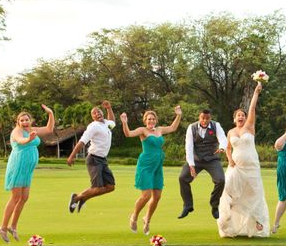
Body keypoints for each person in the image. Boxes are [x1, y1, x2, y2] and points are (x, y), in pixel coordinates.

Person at [217, 82, 270, 238]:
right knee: (229, 191)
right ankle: (227, 220)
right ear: (234, 119)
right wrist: (230, 160)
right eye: (238, 115)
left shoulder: (249, 128)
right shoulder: (231, 132)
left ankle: (258, 222)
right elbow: (227, 148)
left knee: (254, 194)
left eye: (243, 115)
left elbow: (252, 108)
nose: (241, 117)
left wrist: (256, 93)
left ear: (246, 118)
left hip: (252, 167)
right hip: (236, 168)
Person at [121, 106, 182, 235]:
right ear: (145, 120)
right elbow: (128, 134)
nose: (151, 121)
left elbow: (172, 128)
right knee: (146, 195)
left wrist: (178, 115)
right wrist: (125, 123)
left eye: (153, 119)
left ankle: (147, 219)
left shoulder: (159, 130)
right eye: (149, 119)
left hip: (157, 166)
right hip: (145, 166)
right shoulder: (142, 130)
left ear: (156, 120)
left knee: (157, 196)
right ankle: (134, 216)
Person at [0, 105, 55, 242]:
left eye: (26, 120)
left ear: (30, 120)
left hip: (27, 169)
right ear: (18, 122)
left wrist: (51, 114)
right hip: (17, 166)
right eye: (22, 120)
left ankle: (13, 226)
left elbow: (49, 129)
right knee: (15, 197)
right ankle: (3, 227)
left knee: (24, 197)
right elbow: (21, 140)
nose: (24, 122)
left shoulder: (32, 130)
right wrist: (29, 139)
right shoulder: (17, 131)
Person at [67, 101, 116, 212]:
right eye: (94, 113)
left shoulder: (107, 124)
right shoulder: (93, 126)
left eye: (98, 111)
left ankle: (83, 197)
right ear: (92, 117)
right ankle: (76, 198)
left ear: (102, 113)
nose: (97, 113)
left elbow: (113, 121)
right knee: (97, 187)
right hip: (94, 159)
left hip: (103, 160)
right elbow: (82, 142)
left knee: (110, 186)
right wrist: (72, 156)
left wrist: (109, 108)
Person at [177, 109, 227, 219]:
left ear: (210, 118)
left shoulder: (216, 125)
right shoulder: (192, 127)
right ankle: (187, 205)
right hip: (196, 159)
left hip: (212, 159)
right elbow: (188, 147)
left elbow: (223, 138)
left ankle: (214, 206)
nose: (205, 121)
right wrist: (191, 165)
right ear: (199, 118)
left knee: (221, 180)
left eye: (207, 118)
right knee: (182, 178)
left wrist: (222, 147)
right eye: (202, 118)